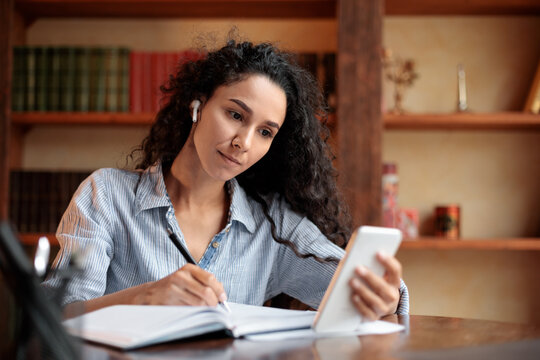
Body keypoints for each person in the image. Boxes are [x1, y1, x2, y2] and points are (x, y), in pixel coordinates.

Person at [42, 40, 408, 321]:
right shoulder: (106, 194)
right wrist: (145, 297)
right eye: (235, 114)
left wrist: (383, 295)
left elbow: (355, 290)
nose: (243, 143)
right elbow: (57, 314)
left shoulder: (273, 225)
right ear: (197, 105)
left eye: (265, 132)